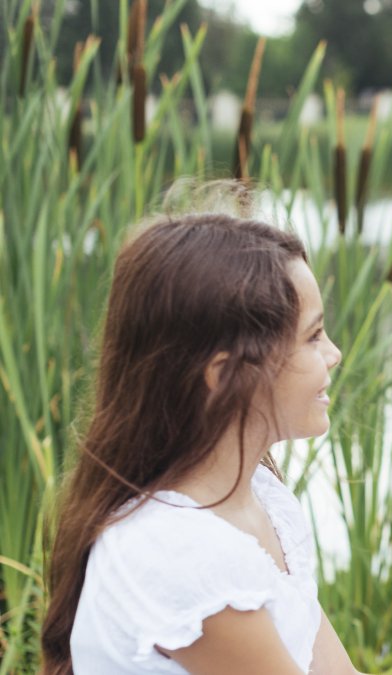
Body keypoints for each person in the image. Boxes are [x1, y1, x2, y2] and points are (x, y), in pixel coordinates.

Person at [40, 210, 363, 674]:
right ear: (227, 374)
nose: (334, 354)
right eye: (312, 336)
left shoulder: (261, 502)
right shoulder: (183, 556)